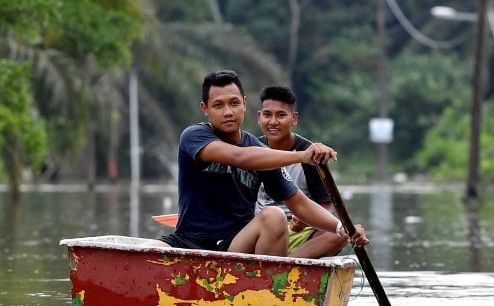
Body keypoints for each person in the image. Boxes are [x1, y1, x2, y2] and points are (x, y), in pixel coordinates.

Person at [154, 69, 368, 256]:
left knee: (274, 216)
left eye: (234, 103)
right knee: (138, 252)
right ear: (205, 109)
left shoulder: (260, 150)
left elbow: (300, 204)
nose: (228, 112)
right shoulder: (194, 136)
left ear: (245, 104)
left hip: (234, 247)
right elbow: (239, 157)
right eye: (218, 105)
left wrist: (343, 228)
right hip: (187, 242)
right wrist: (302, 156)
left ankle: (268, 291)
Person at [254, 85, 351, 259]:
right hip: (263, 228)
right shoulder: (252, 151)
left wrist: (305, 221)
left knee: (343, 232)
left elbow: (326, 204)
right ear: (259, 117)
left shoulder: (310, 154)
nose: (273, 122)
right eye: (267, 115)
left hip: (300, 231)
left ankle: (290, 266)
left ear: (294, 119)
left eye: (281, 115)